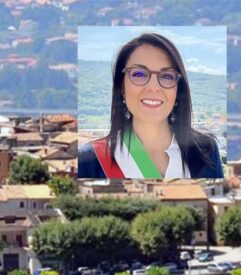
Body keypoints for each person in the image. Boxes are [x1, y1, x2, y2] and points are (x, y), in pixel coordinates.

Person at [78, 33, 223, 179]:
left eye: (167, 76)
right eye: (139, 74)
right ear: (122, 87)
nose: (153, 88)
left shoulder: (205, 151)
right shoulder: (89, 160)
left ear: (178, 89)